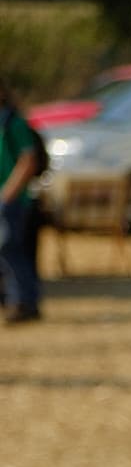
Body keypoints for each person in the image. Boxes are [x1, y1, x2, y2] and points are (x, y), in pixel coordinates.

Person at [0, 80, 44, 325]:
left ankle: (24, 301)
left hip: (13, 201)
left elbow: (28, 161)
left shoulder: (13, 122)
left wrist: (7, 195)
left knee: (12, 250)